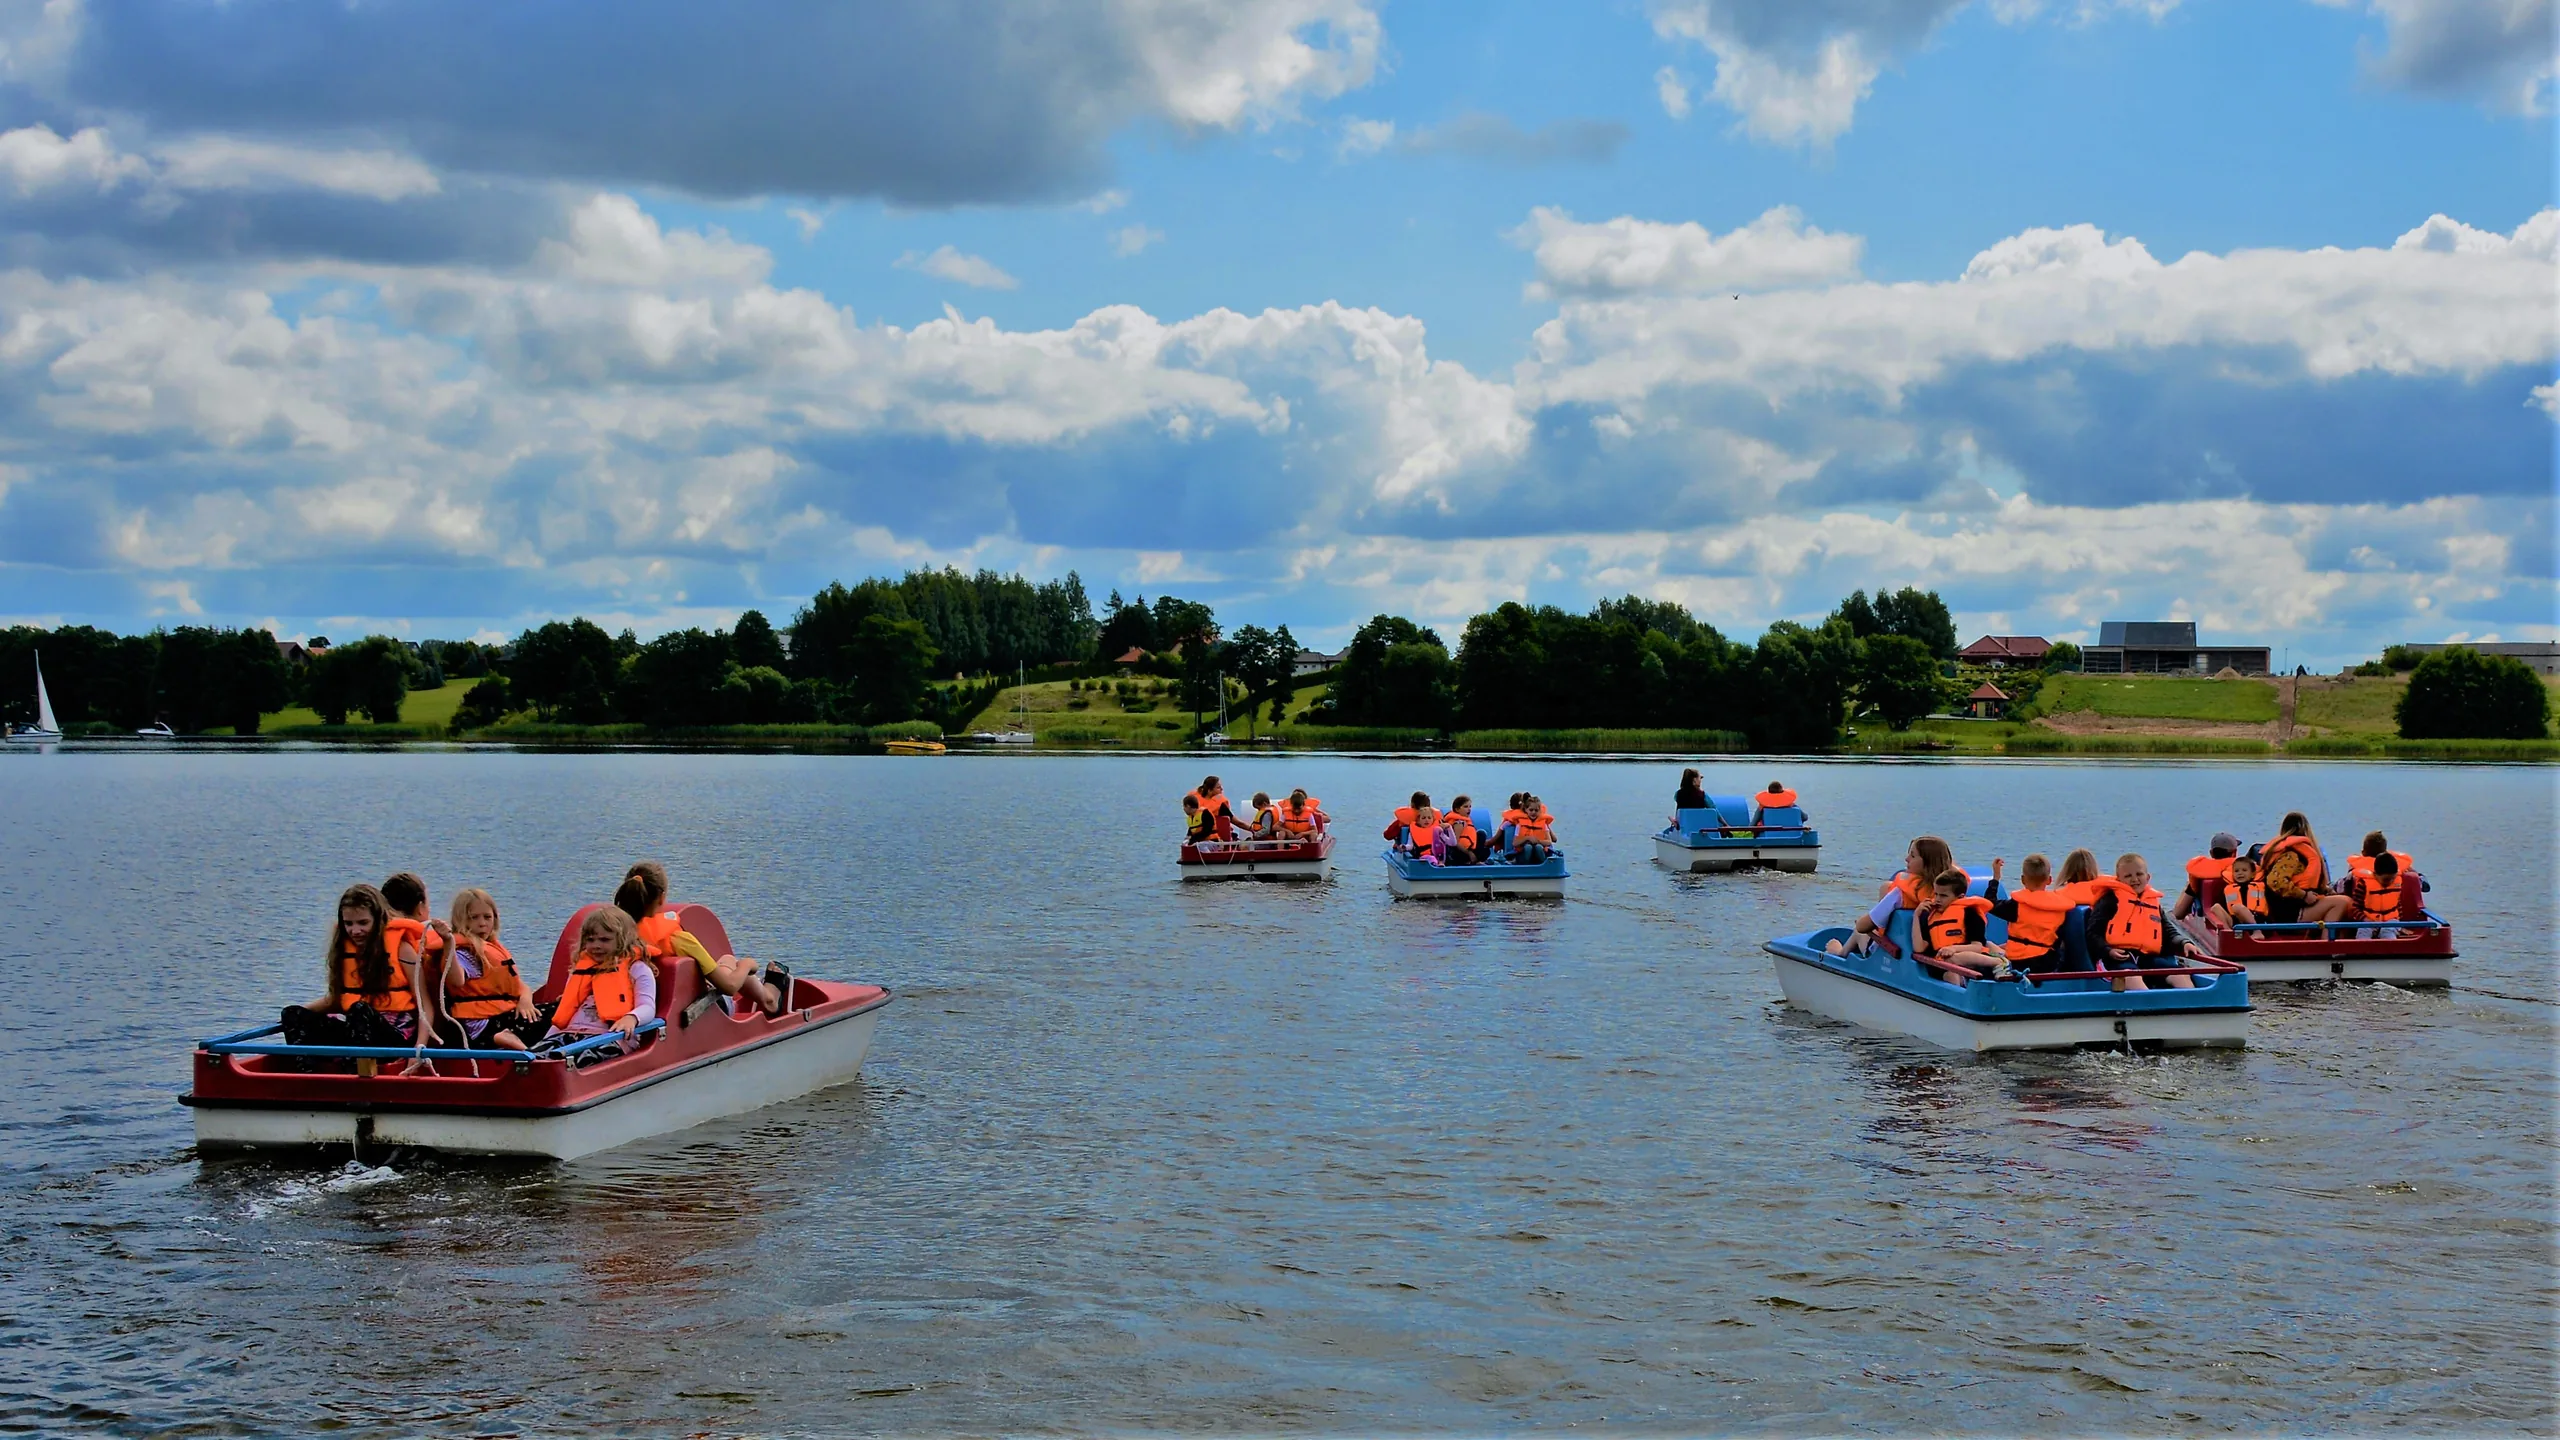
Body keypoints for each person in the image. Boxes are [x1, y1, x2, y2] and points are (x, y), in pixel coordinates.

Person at [617, 861, 783, 1020]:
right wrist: (747, 965)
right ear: (661, 898)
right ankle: (770, 1001)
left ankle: (765, 995)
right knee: (730, 962)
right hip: (696, 1015)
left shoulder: (612, 935)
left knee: (726, 964)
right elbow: (729, 987)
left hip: (638, 1014)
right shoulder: (678, 939)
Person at [281, 883, 416, 1059]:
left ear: (379, 918)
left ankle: (355, 1074)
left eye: (363, 923)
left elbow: (425, 1005)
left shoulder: (402, 949)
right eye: (349, 924)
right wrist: (297, 1013)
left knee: (359, 1011)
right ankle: (308, 1077)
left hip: (394, 1036)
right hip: (355, 1027)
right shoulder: (344, 951)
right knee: (291, 1014)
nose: (355, 930)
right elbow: (336, 999)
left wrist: (418, 1049)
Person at [441, 886, 546, 1051]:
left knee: (555, 1008)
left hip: (500, 1016)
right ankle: (507, 1038)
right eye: (473, 918)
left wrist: (525, 1001)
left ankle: (517, 1040)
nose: (482, 923)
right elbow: (457, 980)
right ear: (460, 920)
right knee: (556, 1014)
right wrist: (448, 943)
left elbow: (519, 986)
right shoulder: (464, 952)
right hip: (482, 1029)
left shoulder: (493, 948)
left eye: (487, 917)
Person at [1830, 836, 1967, 957]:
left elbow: (1862, 926)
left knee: (1860, 931)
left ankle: (1840, 953)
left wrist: (1863, 920)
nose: (1906, 859)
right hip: (1937, 950)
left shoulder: (1900, 894)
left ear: (1926, 863)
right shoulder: (1954, 891)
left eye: (1912, 856)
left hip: (1894, 955)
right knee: (1886, 886)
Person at [2088, 853, 2203, 991]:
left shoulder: (2153, 902)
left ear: (2147, 877)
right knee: (2132, 978)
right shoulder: (2110, 900)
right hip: (2118, 958)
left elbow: (2167, 930)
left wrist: (2184, 942)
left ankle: (2190, 1004)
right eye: (2128, 876)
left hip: (2148, 957)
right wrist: (2108, 950)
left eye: (2139, 874)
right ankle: (2151, 1006)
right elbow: (2093, 933)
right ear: (2119, 879)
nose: (2134, 879)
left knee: (2180, 976)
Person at [544, 905, 656, 1046]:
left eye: (604, 940)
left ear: (623, 940)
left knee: (571, 1059)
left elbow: (648, 1008)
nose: (596, 945)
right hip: (570, 1034)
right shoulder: (581, 971)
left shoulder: (637, 970)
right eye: (590, 940)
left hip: (610, 1038)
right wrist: (546, 1040)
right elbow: (566, 1013)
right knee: (538, 1056)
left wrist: (631, 1018)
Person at [379, 872, 457, 1052]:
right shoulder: (419, 943)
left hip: (398, 1026)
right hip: (431, 1034)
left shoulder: (372, 942)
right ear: (421, 907)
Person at [1913, 861, 2006, 982]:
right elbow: (1919, 948)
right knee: (1949, 974)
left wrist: (1953, 949)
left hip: (1973, 961)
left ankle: (1999, 962)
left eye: (1943, 896)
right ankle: (1961, 995)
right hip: (1947, 966)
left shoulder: (1970, 913)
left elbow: (1978, 947)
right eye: (1936, 894)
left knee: (1951, 959)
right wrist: (1916, 916)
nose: (1937, 900)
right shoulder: (1930, 916)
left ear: (1960, 897)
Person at [1989, 854, 2078, 974]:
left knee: (1988, 945)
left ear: (2023, 880)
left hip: (2018, 962)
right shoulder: (2061, 908)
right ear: (2049, 880)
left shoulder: (2016, 905)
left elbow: (1989, 903)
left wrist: (1996, 878)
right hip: (2047, 963)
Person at [2261, 812, 2355, 925]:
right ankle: (2326, 940)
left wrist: (2326, 890)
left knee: (2345, 902)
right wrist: (2304, 895)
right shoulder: (2290, 855)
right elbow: (2275, 881)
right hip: (2288, 911)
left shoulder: (2300, 853)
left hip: (2299, 906)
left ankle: (2336, 938)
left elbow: (2303, 880)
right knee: (2341, 902)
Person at [2171, 832, 2242, 920]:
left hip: (2213, 921)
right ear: (2234, 853)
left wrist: (2188, 885)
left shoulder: (2201, 875)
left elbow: (2178, 914)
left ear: (2211, 853)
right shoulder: (2246, 873)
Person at [2344, 850, 2408, 935]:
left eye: (2393, 878)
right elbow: (2355, 908)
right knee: (2363, 931)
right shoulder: (2364, 884)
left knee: (2388, 932)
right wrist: (2365, 919)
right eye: (2386, 879)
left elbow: (2398, 906)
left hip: (2391, 921)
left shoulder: (2397, 883)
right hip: (2368, 920)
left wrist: (2400, 925)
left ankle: (2390, 947)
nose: (2390, 882)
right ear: (2375, 874)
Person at [2208, 853, 2269, 928]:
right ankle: (2227, 932)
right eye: (2236, 871)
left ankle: (2257, 932)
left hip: (2257, 920)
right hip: (2236, 922)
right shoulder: (2229, 889)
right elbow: (2226, 906)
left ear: (2253, 874)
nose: (2240, 873)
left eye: (2244, 870)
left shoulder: (2260, 886)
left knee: (2237, 907)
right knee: (2215, 907)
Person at [2347, 832, 2419, 885]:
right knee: (2412, 876)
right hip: (2398, 903)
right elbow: (2425, 886)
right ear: (2386, 851)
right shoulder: (2400, 867)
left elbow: (2342, 888)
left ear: (2363, 852)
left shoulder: (2355, 871)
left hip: (2366, 904)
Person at [1386, 792, 1440, 857]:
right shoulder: (1436, 821)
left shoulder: (1402, 821)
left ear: (1412, 804)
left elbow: (1387, 835)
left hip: (1406, 854)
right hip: (1432, 852)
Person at [1186, 777, 1236, 841]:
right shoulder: (1220, 805)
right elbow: (1236, 822)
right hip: (1205, 838)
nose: (1222, 789)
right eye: (1218, 787)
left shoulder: (1193, 801)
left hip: (1205, 837)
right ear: (1209, 790)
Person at [1512, 796, 1558, 864]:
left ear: (1540, 811)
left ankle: (1541, 866)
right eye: (1531, 810)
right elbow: (1515, 843)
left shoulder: (1543, 825)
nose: (1533, 812)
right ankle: (1525, 867)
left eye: (1536, 810)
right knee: (1528, 847)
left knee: (1538, 847)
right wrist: (1527, 838)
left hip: (1539, 853)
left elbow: (1549, 842)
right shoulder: (1520, 825)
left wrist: (1538, 841)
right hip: (1524, 855)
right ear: (1526, 809)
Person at [1440, 796, 1483, 865]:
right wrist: (1469, 853)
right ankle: (1469, 861)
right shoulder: (1458, 823)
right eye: (1466, 807)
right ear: (1457, 809)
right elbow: (1455, 843)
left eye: (1470, 807)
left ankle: (1474, 860)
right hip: (1460, 852)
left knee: (1481, 834)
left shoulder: (1466, 820)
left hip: (1468, 848)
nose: (1469, 809)